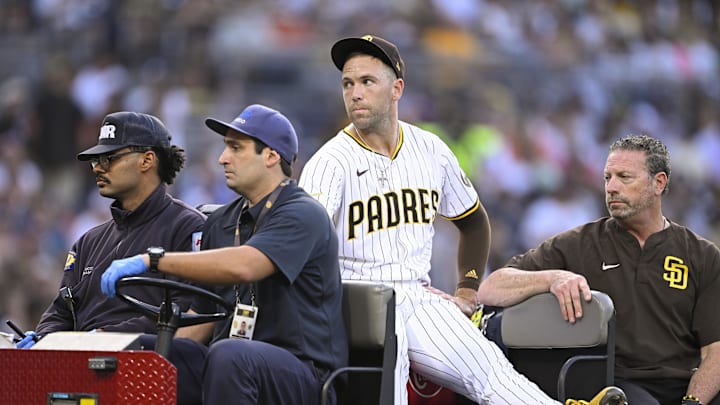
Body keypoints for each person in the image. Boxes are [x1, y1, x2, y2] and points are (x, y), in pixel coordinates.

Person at [298, 34, 626, 405]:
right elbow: (307, 250)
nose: (355, 93)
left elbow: (473, 221)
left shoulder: (430, 149)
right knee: (389, 373)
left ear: (397, 89)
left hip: (416, 295)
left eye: (367, 81)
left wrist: (468, 290)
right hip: (355, 294)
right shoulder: (330, 162)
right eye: (348, 83)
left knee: (490, 371)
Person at [99, 104, 348, 405]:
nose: (222, 158)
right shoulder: (220, 221)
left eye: (235, 148)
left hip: (304, 375)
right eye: (224, 148)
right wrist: (157, 360)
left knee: (230, 354)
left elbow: (245, 266)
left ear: (270, 156)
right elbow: (203, 316)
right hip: (232, 364)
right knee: (137, 352)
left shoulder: (302, 214)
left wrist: (151, 260)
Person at [477, 134, 720, 405]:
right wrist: (553, 278)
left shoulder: (703, 255)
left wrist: (693, 402)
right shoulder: (580, 243)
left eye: (624, 177)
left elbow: (715, 351)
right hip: (617, 386)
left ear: (658, 183)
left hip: (687, 387)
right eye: (607, 178)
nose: (612, 187)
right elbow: (490, 287)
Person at [15, 111, 205, 348]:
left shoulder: (188, 227)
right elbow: (62, 313)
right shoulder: (88, 241)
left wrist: (105, 336)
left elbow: (185, 313)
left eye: (109, 158)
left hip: (143, 368)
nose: (97, 168)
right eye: (96, 160)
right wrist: (44, 337)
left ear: (147, 160)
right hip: (79, 365)